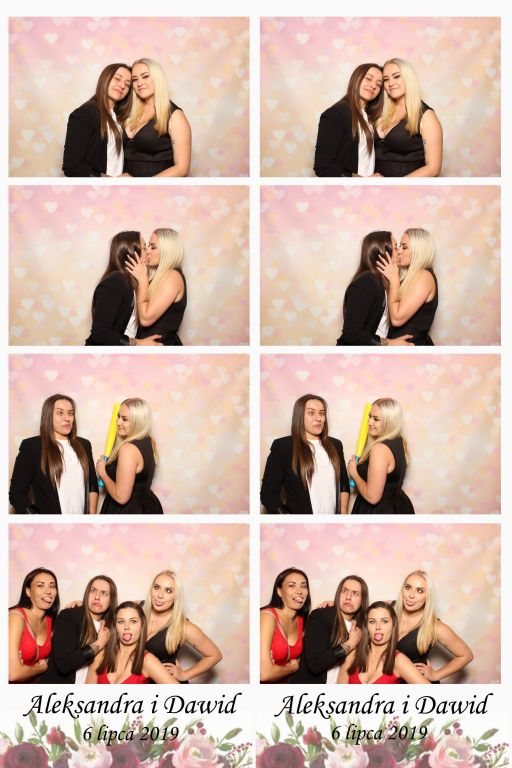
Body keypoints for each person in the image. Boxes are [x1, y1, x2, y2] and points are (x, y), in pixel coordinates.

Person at [261, 394, 350, 514]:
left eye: (322, 413)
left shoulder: (336, 445)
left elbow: (343, 484)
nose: (318, 418)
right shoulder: (283, 447)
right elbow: (268, 493)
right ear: (299, 416)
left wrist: (343, 517)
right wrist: (287, 518)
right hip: (301, 523)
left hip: (332, 523)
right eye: (311, 413)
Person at [9, 394, 98, 515]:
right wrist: (35, 518)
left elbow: (92, 484)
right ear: (48, 416)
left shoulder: (84, 445)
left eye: (71, 413)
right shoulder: (32, 447)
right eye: (60, 413)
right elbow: (17, 493)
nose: (67, 418)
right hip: (50, 524)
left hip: (80, 524)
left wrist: (91, 518)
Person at [336, 231, 413, 346]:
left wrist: (395, 341)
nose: (400, 251)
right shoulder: (367, 282)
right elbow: (351, 334)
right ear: (382, 252)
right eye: (396, 247)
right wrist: (390, 344)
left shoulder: (387, 282)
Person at [85, 231, 162, 346]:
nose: (148, 252)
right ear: (132, 253)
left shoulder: (136, 282)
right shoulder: (115, 282)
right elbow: (100, 333)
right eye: (144, 248)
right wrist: (139, 344)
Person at [143, 570, 222, 682]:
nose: (160, 595)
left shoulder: (183, 627)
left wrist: (184, 675)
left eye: (168, 591)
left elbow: (215, 655)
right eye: (156, 587)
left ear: (176, 596)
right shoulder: (136, 610)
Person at [395, 570, 473, 682]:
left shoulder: (435, 627)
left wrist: (435, 675)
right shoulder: (387, 611)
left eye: (420, 591)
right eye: (408, 587)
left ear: (428, 596)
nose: (411, 595)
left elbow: (466, 655)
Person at [39, 575, 117, 684]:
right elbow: (64, 664)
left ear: (111, 600)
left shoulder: (111, 626)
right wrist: (99, 644)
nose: (97, 597)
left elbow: (133, 611)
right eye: (93, 591)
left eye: (104, 593)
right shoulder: (68, 617)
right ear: (87, 594)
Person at [290, 575, 366, 684]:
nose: (348, 597)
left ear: (363, 600)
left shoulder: (362, 626)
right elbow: (315, 664)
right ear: (338, 594)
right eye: (344, 591)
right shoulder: (320, 617)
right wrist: (351, 643)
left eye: (355, 593)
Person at [122, 58, 191, 177]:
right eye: (135, 79)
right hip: (125, 187)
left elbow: (182, 168)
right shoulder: (129, 111)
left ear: (157, 78)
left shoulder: (175, 116)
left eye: (145, 76)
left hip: (156, 187)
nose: (139, 83)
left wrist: (144, 185)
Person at [374, 58, 442, 177]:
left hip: (407, 187)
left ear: (408, 78)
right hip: (376, 187)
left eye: (397, 76)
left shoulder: (426, 116)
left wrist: (396, 185)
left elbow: (433, 168)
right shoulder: (381, 112)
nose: (390, 83)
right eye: (386, 79)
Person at [63, 63, 132, 177]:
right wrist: (108, 180)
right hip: (98, 187)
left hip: (119, 187)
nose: (122, 86)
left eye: (127, 84)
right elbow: (71, 166)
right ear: (105, 78)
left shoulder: (120, 118)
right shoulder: (85, 114)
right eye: (117, 79)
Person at [314, 63, 383, 177]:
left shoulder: (371, 118)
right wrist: (360, 180)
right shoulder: (335, 115)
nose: (373, 85)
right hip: (349, 187)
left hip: (370, 187)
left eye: (379, 84)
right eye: (368, 79)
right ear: (356, 79)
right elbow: (323, 167)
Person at [97, 398, 163, 514]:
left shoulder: (128, 449)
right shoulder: (148, 441)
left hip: (128, 511)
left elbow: (121, 497)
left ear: (138, 421)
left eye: (125, 419)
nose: (118, 422)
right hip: (147, 506)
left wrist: (103, 473)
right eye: (118, 417)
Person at [348, 398, 414, 514]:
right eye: (370, 417)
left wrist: (354, 473)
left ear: (389, 421)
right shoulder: (399, 441)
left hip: (379, 511)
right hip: (398, 506)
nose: (369, 422)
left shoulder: (380, 449)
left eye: (376, 419)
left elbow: (372, 497)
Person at [338, 602, 431, 684]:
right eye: (372, 621)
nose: (378, 627)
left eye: (384, 621)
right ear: (367, 626)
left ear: (393, 625)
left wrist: (434, 675)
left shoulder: (399, 661)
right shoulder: (352, 655)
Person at [86, 601, 179, 684]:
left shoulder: (148, 661)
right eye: (121, 621)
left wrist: (183, 675)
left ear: (142, 625)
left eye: (133, 621)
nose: (126, 627)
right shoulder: (101, 655)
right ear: (115, 626)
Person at [125, 228, 187, 346]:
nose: (147, 251)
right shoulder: (160, 276)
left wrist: (143, 280)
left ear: (167, 250)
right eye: (148, 246)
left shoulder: (172, 276)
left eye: (153, 247)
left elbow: (145, 319)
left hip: (160, 347)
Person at [377, 228, 438, 345]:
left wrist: (394, 280)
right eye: (399, 246)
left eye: (404, 247)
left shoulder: (423, 276)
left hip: (413, 347)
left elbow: (397, 319)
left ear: (419, 250)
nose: (399, 251)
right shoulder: (411, 276)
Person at [260, 568, 311, 683]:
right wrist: (293, 668)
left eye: (303, 586)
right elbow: (264, 674)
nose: (299, 591)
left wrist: (332, 605)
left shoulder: (302, 621)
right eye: (292, 586)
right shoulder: (267, 617)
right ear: (279, 591)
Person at [9, 568, 59, 682]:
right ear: (28, 591)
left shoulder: (51, 621)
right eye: (41, 586)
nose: (48, 591)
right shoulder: (16, 617)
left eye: (52, 586)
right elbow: (13, 674)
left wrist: (81, 605)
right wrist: (42, 668)